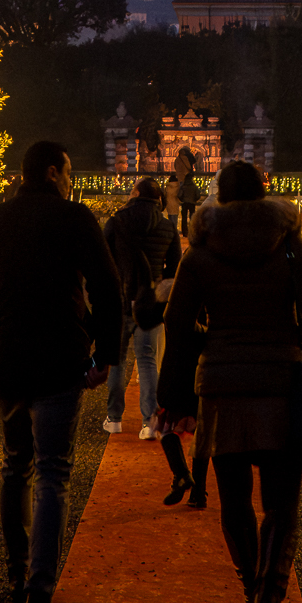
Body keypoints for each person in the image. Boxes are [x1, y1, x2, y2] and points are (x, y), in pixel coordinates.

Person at [160, 161, 302, 603]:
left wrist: (181, 386)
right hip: (280, 381)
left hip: (222, 384)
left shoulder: (201, 249)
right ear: (265, 195)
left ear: (220, 196)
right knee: (281, 507)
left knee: (233, 499)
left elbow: (177, 321)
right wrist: (298, 342)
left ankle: (248, 588)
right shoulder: (288, 243)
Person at [0, 140, 123, 603]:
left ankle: (17, 572)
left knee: (16, 464)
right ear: (53, 172)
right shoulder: (74, 218)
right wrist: (101, 353)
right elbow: (109, 287)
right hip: (58, 358)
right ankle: (40, 595)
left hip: (9, 361)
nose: (71, 181)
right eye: (69, 172)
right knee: (54, 473)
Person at [102, 175, 180, 439]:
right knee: (148, 363)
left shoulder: (117, 221)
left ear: (135, 194)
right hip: (151, 304)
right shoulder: (168, 227)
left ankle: (114, 418)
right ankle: (149, 422)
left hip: (119, 300)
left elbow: (103, 259)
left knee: (117, 361)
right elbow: (174, 269)